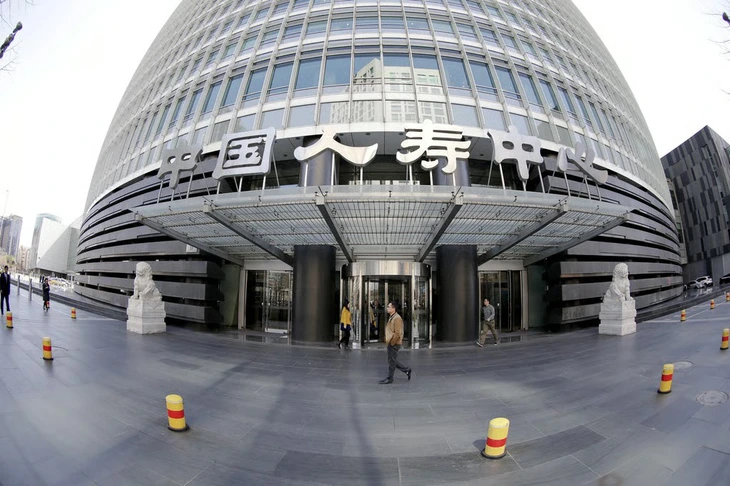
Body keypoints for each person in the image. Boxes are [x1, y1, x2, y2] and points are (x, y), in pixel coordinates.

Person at [379, 301, 412, 384]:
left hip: (394, 343)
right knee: (392, 360)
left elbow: (398, 333)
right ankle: (407, 370)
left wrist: (392, 343)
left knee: (392, 361)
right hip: (391, 342)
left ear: (393, 308)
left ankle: (390, 378)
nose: (387, 308)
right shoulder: (392, 316)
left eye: (389, 307)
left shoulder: (397, 318)